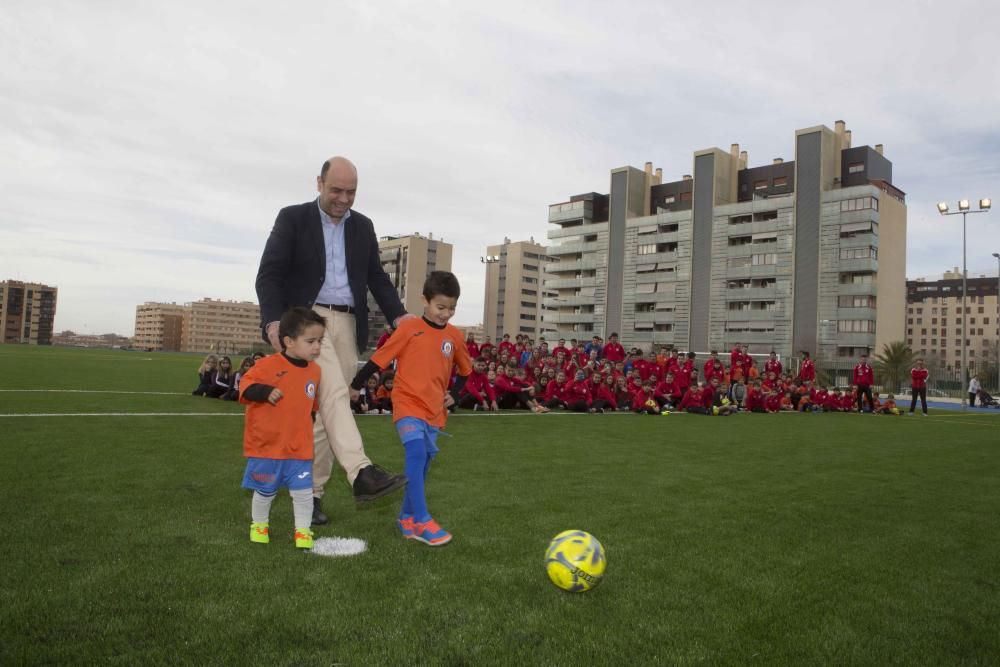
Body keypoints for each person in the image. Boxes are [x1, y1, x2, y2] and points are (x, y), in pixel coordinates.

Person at [255, 156, 408, 526]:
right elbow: (269, 275)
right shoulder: (292, 218)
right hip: (308, 321)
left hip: (348, 324)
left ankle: (312, 496)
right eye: (336, 190)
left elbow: (376, 277)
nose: (343, 198)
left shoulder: (363, 227)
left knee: (326, 412)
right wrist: (275, 323)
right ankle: (361, 472)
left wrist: (399, 317)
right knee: (337, 394)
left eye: (351, 192)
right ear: (319, 183)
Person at [349, 271, 473, 546]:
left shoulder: (454, 336)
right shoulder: (408, 328)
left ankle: (406, 517)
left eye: (451, 308)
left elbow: (466, 370)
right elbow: (379, 360)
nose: (446, 314)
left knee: (423, 466)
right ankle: (423, 519)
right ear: (424, 301)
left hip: (434, 411)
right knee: (415, 453)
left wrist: (454, 394)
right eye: (441, 307)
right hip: (407, 403)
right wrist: (356, 384)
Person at [239, 307, 325, 550]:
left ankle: (302, 532)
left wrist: (309, 416)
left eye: (320, 341)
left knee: (303, 492)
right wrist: (266, 392)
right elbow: (245, 387)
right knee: (265, 491)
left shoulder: (315, 371)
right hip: (268, 446)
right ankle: (259, 526)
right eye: (311, 341)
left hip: (299, 447)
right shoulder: (267, 365)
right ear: (288, 341)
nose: (317, 347)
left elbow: (311, 403)